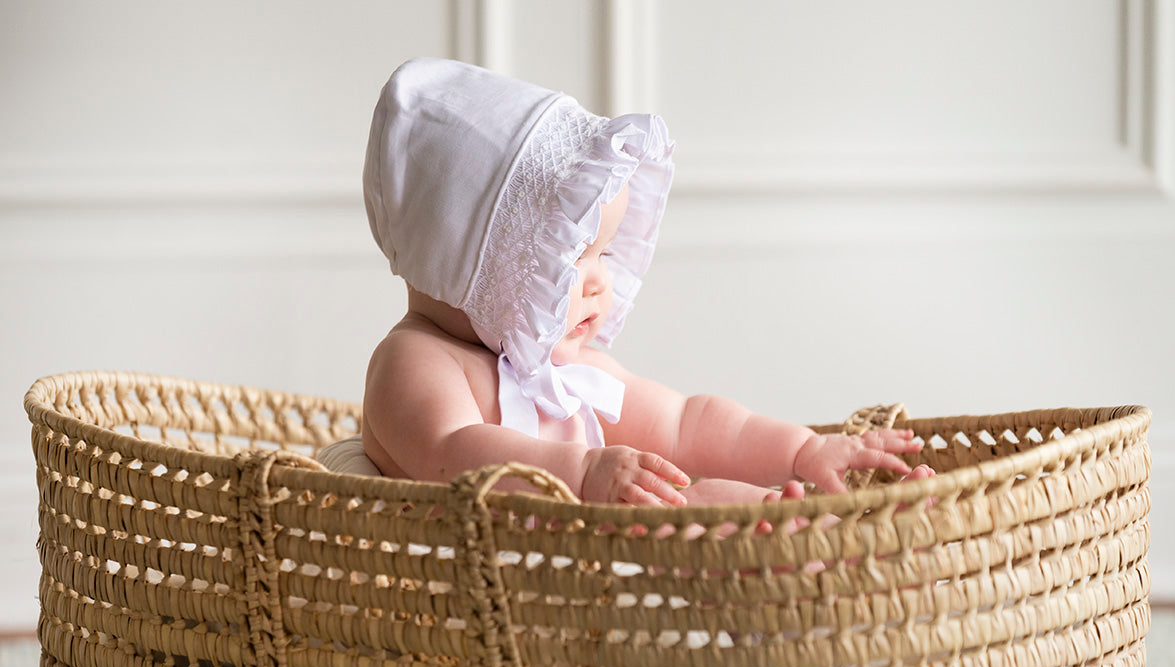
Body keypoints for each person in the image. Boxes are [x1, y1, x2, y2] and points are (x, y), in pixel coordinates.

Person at [321, 58, 928, 504]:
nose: (597, 284)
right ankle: (795, 546)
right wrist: (583, 474)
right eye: (570, 259)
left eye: (604, 254)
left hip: (591, 581)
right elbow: (453, 454)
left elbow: (689, 422)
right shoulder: (415, 361)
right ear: (466, 267)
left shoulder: (569, 371)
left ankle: (821, 530)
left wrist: (800, 451)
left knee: (697, 492)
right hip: (482, 600)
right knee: (678, 510)